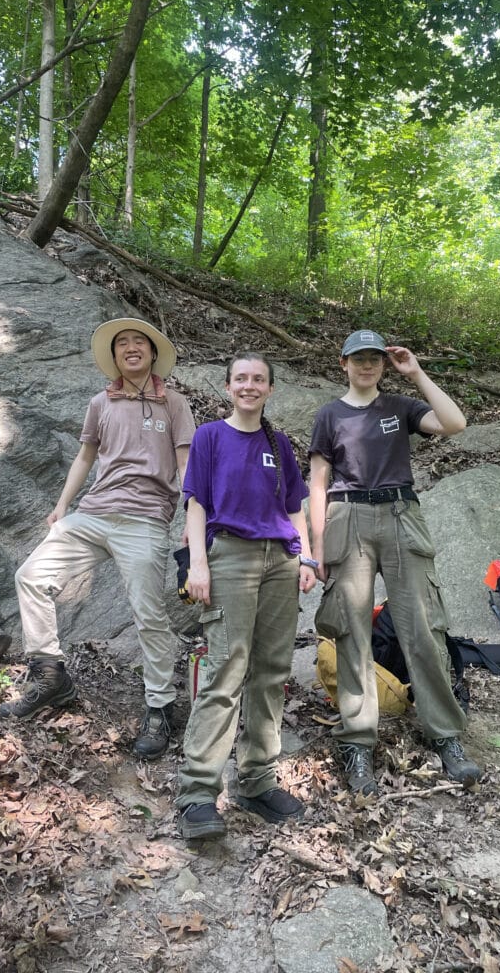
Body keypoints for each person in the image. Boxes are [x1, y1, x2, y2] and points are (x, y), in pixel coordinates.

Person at [0, 318, 196, 760]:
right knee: (31, 576)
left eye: (138, 342)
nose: (130, 348)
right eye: (121, 343)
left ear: (151, 353)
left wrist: (191, 517)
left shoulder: (175, 404)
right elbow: (85, 455)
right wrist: (62, 506)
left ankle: (159, 708)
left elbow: (187, 464)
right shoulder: (99, 402)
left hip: (146, 519)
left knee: (149, 616)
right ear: (114, 357)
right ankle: (51, 676)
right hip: (92, 513)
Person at [309, 329, 481, 793]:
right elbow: (318, 484)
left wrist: (417, 373)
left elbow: (454, 423)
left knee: (423, 627)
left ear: (384, 365)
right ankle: (358, 742)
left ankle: (445, 734)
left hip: (402, 516)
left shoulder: (400, 407)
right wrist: (316, 546)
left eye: (374, 359)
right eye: (357, 358)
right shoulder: (330, 414)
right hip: (348, 518)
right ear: (343, 363)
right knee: (352, 633)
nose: (366, 366)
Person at [175, 352, 318, 841]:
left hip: (280, 562)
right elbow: (196, 504)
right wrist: (198, 564)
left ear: (270, 388)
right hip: (229, 557)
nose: (249, 386)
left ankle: (256, 782)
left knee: (273, 669)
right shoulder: (210, 437)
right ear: (228, 386)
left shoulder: (278, 443)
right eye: (241, 378)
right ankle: (197, 794)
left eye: (258, 379)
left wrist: (307, 557)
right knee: (224, 668)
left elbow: (294, 506)